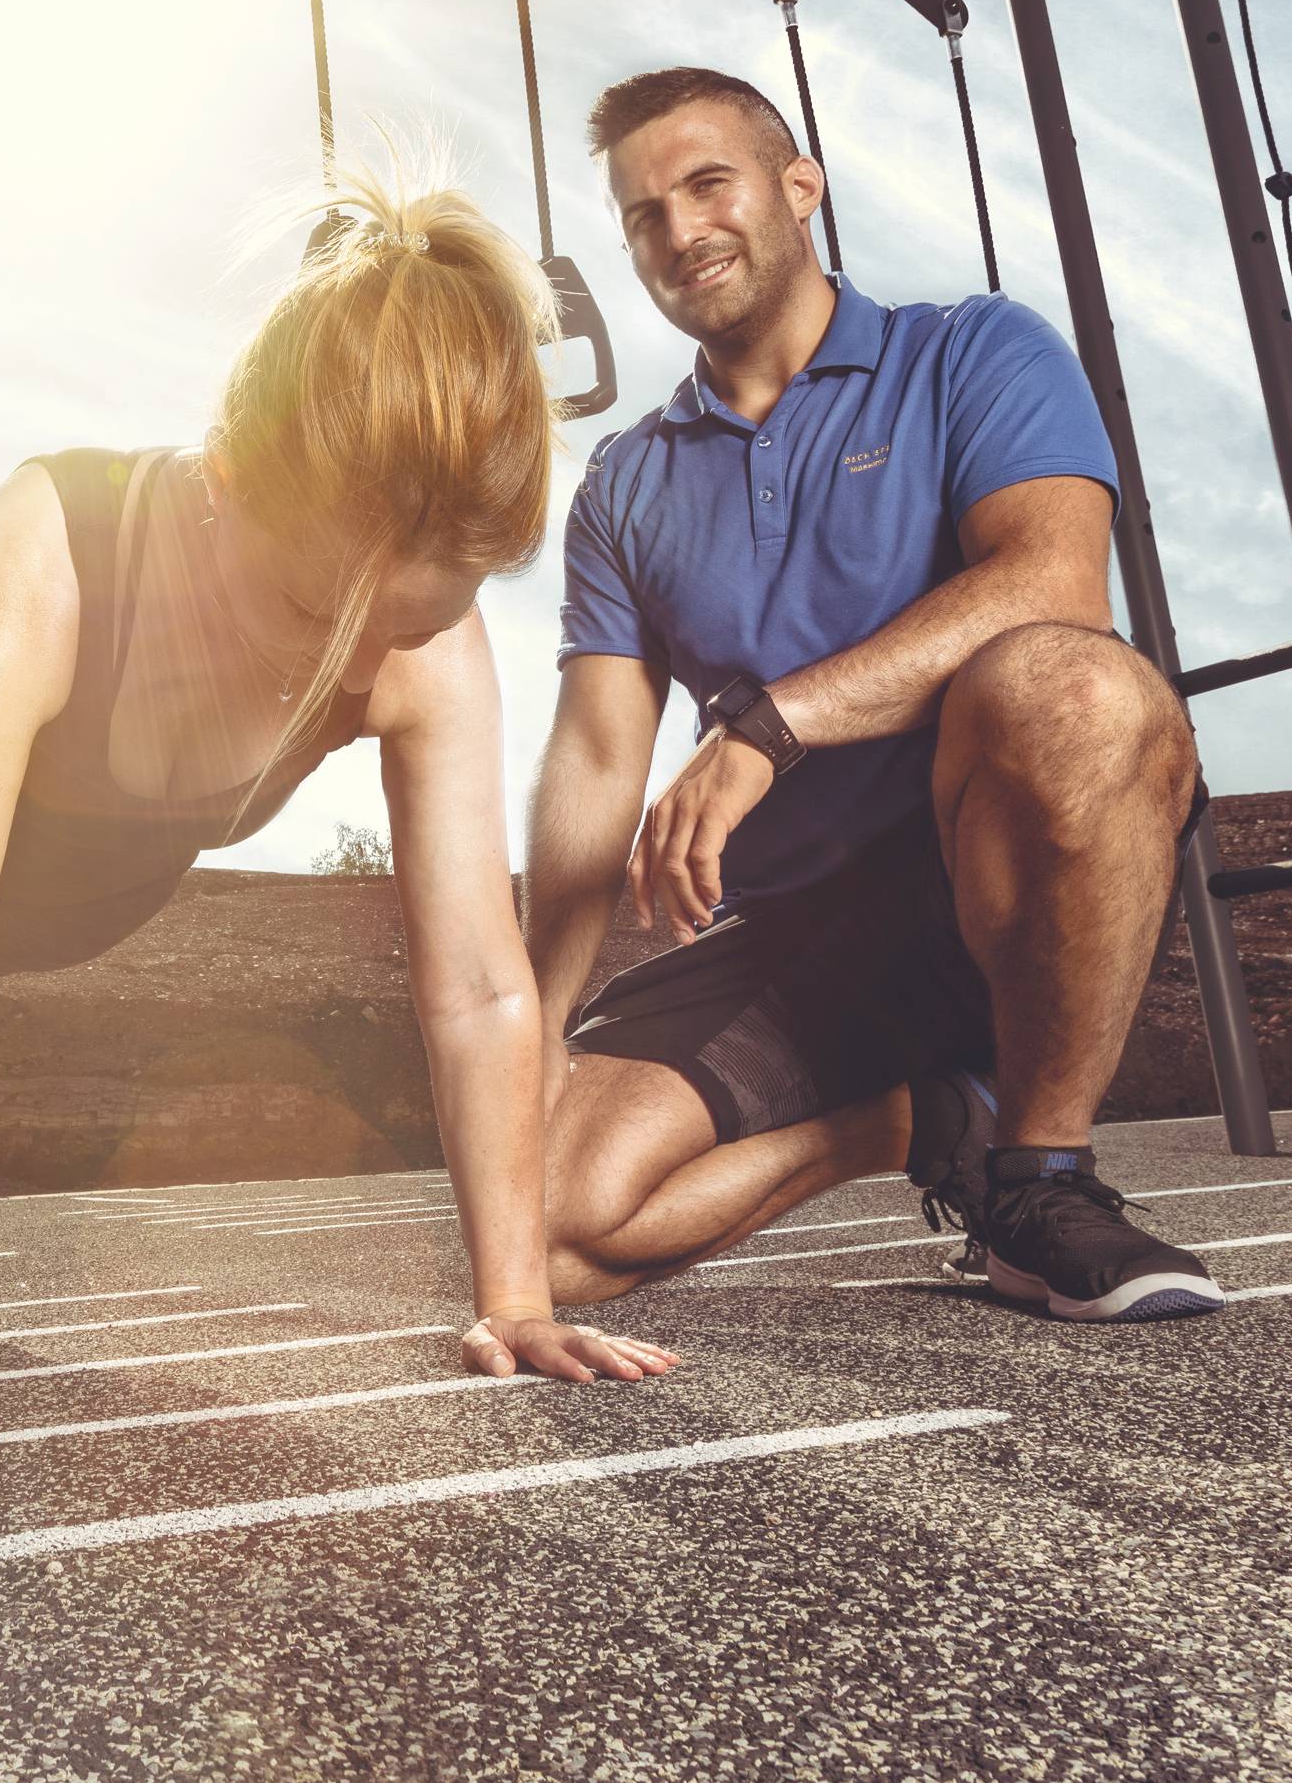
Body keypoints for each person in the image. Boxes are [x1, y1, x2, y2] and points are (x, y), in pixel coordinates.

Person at [0, 171, 680, 1475]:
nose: (357, 677)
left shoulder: (425, 638)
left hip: (102, 886)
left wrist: (515, 1302)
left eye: (400, 628)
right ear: (227, 479)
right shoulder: (50, 554)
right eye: (307, 615)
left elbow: (476, 989)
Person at [522, 67, 1222, 1323]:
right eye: (641, 215)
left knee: (1073, 687)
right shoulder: (626, 480)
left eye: (706, 184)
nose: (679, 231)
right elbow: (590, 762)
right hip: (798, 935)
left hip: (999, 879)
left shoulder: (972, 350)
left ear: (799, 188)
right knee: (541, 1234)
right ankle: (922, 1121)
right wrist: (528, 1016)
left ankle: (1040, 1180)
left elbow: (1056, 584)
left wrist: (766, 728)